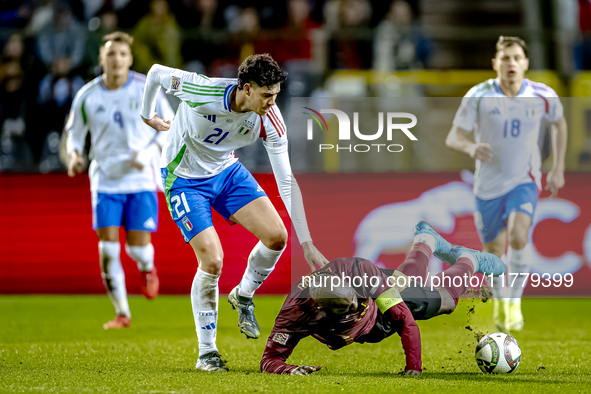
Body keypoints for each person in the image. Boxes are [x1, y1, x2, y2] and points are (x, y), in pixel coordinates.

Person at [140, 53, 329, 372]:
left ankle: (243, 295)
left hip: (226, 171)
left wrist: (307, 242)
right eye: (267, 95)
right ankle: (207, 353)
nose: (272, 102)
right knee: (212, 261)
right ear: (246, 88)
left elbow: (286, 180)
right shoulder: (201, 89)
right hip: (183, 178)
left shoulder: (270, 120)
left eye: (276, 95)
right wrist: (148, 115)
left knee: (277, 236)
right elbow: (157, 73)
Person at [260, 221, 506, 375]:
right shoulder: (295, 313)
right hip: (366, 329)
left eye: (359, 302)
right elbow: (270, 358)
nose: (359, 307)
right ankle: (425, 240)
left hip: (380, 302)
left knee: (445, 302)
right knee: (408, 280)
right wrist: (289, 370)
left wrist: (413, 367)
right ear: (323, 312)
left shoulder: (361, 273)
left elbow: (404, 319)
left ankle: (468, 260)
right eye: (354, 310)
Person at [445, 36, 567, 331]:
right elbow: (453, 136)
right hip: (487, 186)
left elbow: (559, 123)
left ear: (525, 64)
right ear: (495, 64)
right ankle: (501, 300)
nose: (511, 63)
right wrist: (471, 147)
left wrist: (558, 167)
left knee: (518, 235)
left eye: (516, 58)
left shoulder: (542, 94)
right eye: (505, 58)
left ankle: (514, 303)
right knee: (494, 251)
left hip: (524, 180)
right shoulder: (479, 96)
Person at [66, 32, 174, 329]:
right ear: (102, 58)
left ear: (130, 58)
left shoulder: (144, 88)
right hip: (105, 182)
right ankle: (122, 313)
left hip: (140, 179)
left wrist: (150, 151)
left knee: (137, 249)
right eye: (111, 53)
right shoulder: (87, 95)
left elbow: (169, 126)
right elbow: (74, 136)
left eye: (122, 54)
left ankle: (147, 267)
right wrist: (75, 155)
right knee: (108, 249)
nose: (116, 59)